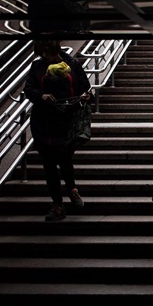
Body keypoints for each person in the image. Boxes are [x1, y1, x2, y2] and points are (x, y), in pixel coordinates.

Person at [24, 40, 92, 221]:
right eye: (43, 53)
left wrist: (86, 95)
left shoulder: (72, 64)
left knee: (65, 158)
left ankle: (72, 189)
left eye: (49, 53)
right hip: (43, 122)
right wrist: (41, 95)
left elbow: (85, 87)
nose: (47, 57)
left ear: (56, 50)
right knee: (49, 165)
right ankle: (57, 204)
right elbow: (28, 89)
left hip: (67, 122)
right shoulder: (37, 66)